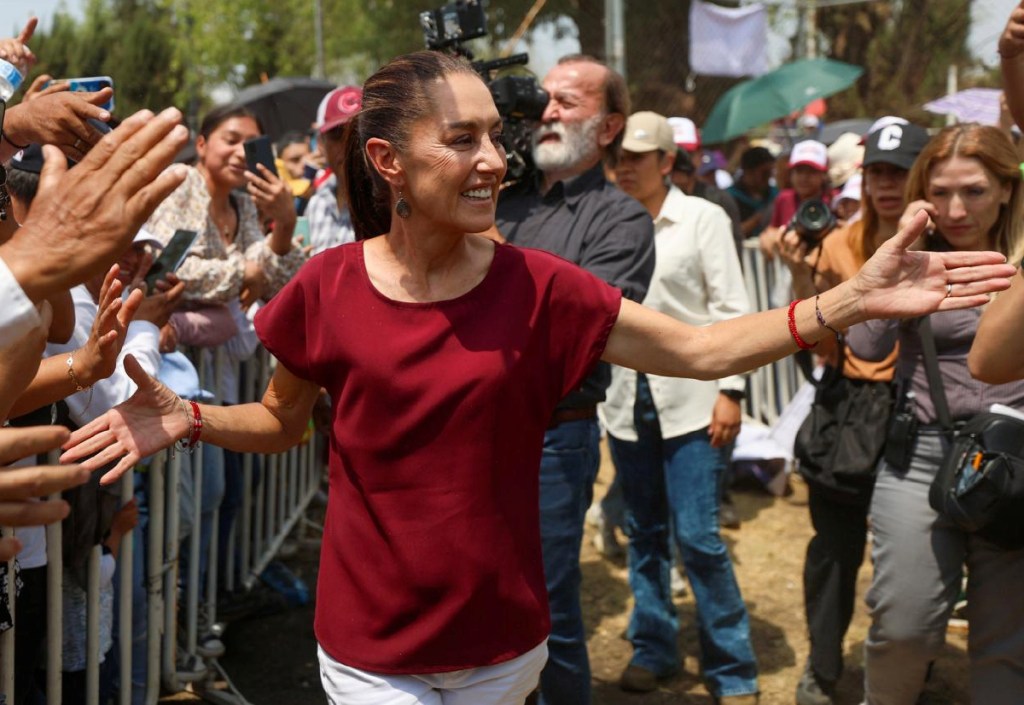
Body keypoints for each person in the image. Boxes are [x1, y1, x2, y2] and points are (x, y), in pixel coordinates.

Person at [60, 52, 1014, 705]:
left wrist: (847, 303)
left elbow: (702, 349)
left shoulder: (545, 289)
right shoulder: (325, 287)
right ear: (387, 161)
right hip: (366, 650)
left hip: (502, 646)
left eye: (495, 135)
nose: (495, 157)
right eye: (464, 139)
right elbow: (280, 423)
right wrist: (186, 417)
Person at [493, 54, 655, 705]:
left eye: (568, 101)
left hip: (551, 440)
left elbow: (574, 332)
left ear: (610, 126)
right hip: (469, 433)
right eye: (542, 99)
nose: (548, 112)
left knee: (546, 611)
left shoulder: (620, 220)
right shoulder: (495, 199)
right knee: (482, 605)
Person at [845, 123, 1024, 705]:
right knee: (904, 626)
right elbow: (867, 350)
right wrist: (892, 257)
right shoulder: (918, 257)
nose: (955, 209)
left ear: (1006, 188)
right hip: (920, 455)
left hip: (1014, 464)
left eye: (972, 191)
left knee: (1005, 643)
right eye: (940, 192)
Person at [605, 111, 757, 703]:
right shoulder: (609, 223)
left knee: (697, 535)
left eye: (637, 158)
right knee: (643, 529)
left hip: (696, 403)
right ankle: (655, 645)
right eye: (619, 156)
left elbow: (733, 310)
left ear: (667, 162)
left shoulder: (703, 219)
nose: (624, 167)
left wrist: (732, 392)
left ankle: (731, 666)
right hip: (625, 398)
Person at [776, 122, 930, 705]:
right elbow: (819, 344)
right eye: (877, 172)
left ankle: (909, 672)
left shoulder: (950, 244)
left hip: (919, 416)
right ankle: (822, 668)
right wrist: (798, 273)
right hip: (846, 410)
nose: (887, 185)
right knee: (833, 553)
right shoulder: (841, 241)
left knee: (913, 564)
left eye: (900, 171)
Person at [143, 104, 306, 307]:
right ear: (201, 145)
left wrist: (285, 222)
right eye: (231, 140)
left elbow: (272, 280)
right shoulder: (180, 182)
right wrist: (243, 273)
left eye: (251, 145)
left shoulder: (243, 205)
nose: (241, 153)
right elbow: (165, 268)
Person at [306, 85, 363, 255]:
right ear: (321, 145)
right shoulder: (317, 204)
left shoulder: (391, 207)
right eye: (337, 135)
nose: (348, 145)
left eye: (357, 132)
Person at [727, 146, 778, 239]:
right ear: (748, 171)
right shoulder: (728, 198)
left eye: (771, 172)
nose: (768, 177)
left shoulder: (776, 195)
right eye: (765, 173)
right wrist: (758, 218)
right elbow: (730, 233)